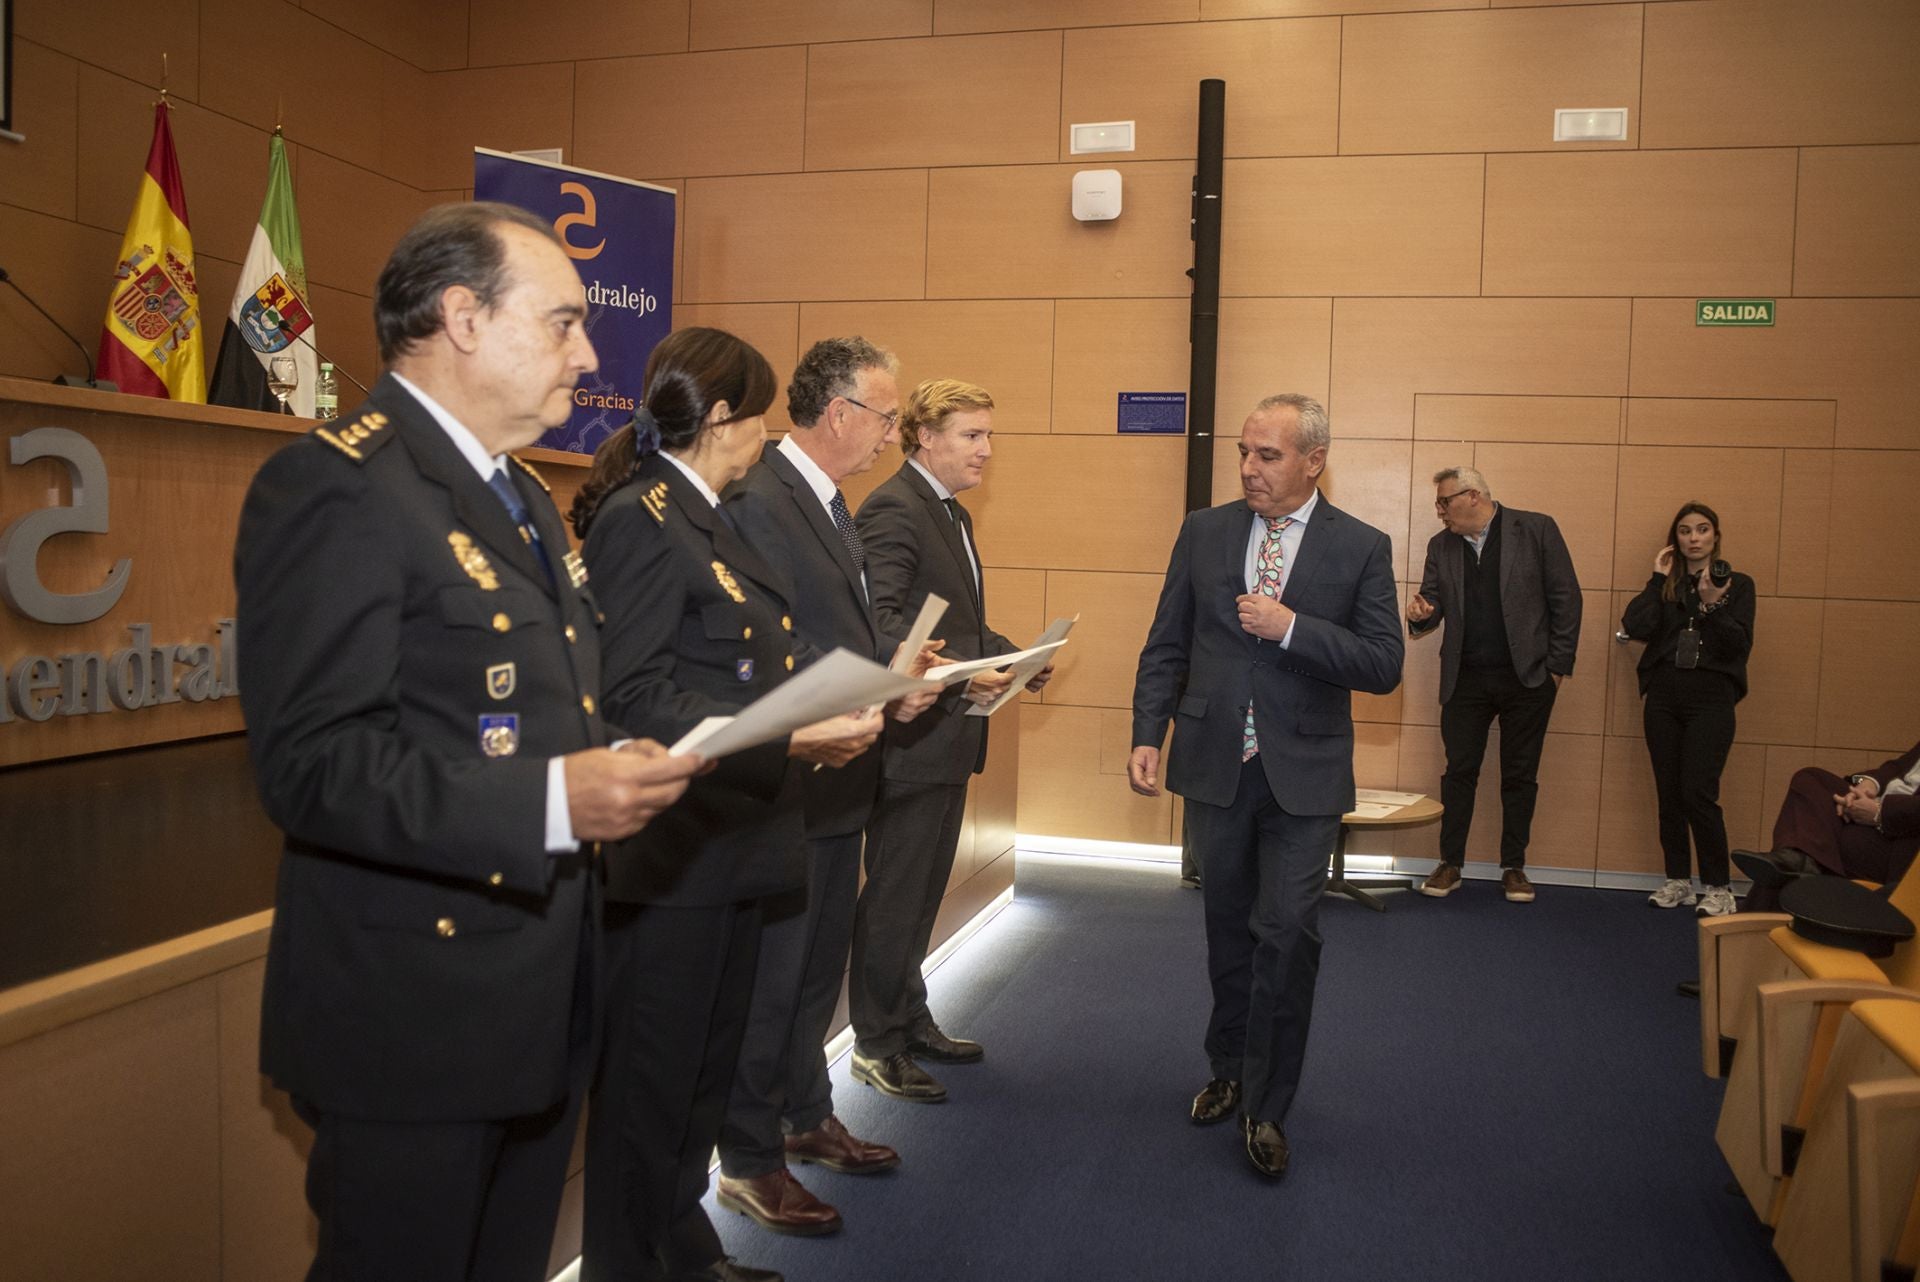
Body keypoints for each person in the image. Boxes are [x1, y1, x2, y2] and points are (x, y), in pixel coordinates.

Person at [235, 201, 702, 1281]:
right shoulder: (338, 486)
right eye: (563, 323)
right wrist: (550, 803)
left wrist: (651, 755)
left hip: (536, 996)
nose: (588, 358)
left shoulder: (530, 500)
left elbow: (551, 710)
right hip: (412, 1019)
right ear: (460, 317)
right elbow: (311, 764)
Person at [571, 327, 881, 1282]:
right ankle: (634, 1261)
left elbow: (747, 667)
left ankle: (683, 1245)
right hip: (677, 857)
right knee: (650, 1092)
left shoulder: (713, 514)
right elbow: (635, 698)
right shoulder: (640, 515)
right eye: (755, 413)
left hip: (741, 839)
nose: (768, 430)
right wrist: (790, 732)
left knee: (702, 1082)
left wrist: (808, 710)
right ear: (719, 421)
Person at [1128, 393, 1403, 1179]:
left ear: (1314, 460)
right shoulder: (1204, 530)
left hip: (1305, 775)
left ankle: (1267, 1104)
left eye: (1268, 455)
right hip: (1216, 766)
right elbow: (1167, 640)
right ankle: (1228, 1067)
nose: (1249, 468)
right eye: (1244, 453)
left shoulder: (1361, 546)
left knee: (1286, 934)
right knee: (1227, 930)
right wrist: (1149, 731)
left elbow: (1385, 663)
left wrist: (1291, 629)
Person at [713, 337, 943, 1235]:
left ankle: (804, 1114)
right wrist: (874, 680)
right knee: (773, 982)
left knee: (814, 975)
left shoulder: (830, 503)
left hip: (838, 781)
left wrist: (891, 671)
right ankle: (749, 1158)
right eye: (887, 418)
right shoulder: (762, 497)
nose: (893, 434)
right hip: (790, 781)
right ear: (840, 412)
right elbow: (767, 641)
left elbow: (828, 630)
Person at [849, 377, 1051, 1104]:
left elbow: (958, 623)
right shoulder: (895, 510)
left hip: (943, 742)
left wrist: (1014, 655)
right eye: (972, 435)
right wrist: (969, 675)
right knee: (895, 897)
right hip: (910, 743)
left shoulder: (949, 514)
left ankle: (907, 1016)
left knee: (921, 892)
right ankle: (876, 1043)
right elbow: (886, 626)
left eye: (989, 435)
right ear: (923, 437)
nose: (986, 450)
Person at [1407, 467, 1581, 903]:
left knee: (1520, 775)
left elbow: (1566, 599)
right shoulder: (1440, 545)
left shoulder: (1536, 529)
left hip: (1528, 679)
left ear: (1472, 496)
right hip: (1465, 679)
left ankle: (1514, 866)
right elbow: (1433, 603)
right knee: (1459, 771)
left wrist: (1556, 670)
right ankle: (1451, 862)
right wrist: (1420, 615)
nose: (1440, 511)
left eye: (1444, 502)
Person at [1620, 501, 1755, 917]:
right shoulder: (1667, 585)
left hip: (1711, 700)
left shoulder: (1737, 584)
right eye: (1684, 531)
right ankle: (1677, 880)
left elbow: (1739, 645)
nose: (1693, 538)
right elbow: (1637, 625)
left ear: (1715, 536)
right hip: (1663, 698)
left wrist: (1711, 604)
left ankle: (1718, 887)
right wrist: (1656, 578)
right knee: (1669, 793)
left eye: (1702, 530)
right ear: (1674, 539)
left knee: (1699, 793)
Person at [1736, 740, 1920, 910]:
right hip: (1877, 806)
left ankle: (1749, 926)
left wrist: (1880, 813)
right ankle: (1800, 861)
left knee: (1810, 847)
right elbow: (1894, 767)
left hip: (1901, 840)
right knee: (1809, 779)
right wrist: (1867, 784)